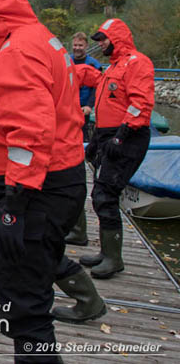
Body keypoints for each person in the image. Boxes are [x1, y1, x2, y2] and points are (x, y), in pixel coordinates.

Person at [0, 0, 101, 362]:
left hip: (37, 190)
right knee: (7, 282)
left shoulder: (19, 51)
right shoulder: (41, 40)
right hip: (54, 182)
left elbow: (29, 133)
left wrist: (14, 203)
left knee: (24, 302)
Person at [76, 18, 154, 279]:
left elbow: (140, 105)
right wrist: (98, 140)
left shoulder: (137, 63)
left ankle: (113, 258)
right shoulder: (114, 66)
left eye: (103, 40)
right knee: (101, 193)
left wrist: (121, 137)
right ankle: (107, 252)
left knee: (106, 194)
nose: (100, 44)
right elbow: (106, 100)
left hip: (128, 136)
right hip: (109, 134)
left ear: (116, 39)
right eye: (97, 41)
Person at [65, 31, 103, 246]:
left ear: (86, 46)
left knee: (78, 158)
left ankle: (79, 229)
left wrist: (90, 106)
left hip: (83, 113)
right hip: (67, 112)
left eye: (81, 45)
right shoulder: (66, 61)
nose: (77, 48)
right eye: (75, 44)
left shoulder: (94, 64)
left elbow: (100, 88)